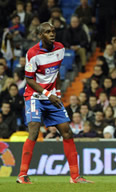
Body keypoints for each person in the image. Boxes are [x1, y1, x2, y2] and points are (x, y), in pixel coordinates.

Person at [17, 22, 92, 184]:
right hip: (35, 97)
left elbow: (55, 73)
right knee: (34, 131)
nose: (52, 34)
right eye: (47, 32)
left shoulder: (60, 49)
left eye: (53, 31)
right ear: (40, 35)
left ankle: (75, 176)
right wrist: (46, 93)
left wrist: (56, 92)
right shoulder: (32, 53)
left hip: (51, 96)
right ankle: (22, 175)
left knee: (67, 132)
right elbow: (29, 79)